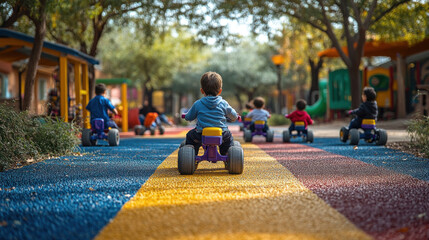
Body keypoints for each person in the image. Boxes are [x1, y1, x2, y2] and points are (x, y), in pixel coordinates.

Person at [184, 71, 238, 155]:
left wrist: (186, 116)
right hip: (221, 134)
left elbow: (189, 117)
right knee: (229, 137)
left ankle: (191, 154)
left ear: (202, 91)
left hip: (201, 134)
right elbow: (234, 116)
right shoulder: (223, 103)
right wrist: (235, 116)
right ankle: (227, 153)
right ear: (220, 91)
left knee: (190, 136)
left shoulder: (198, 104)